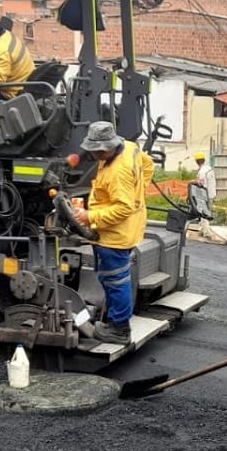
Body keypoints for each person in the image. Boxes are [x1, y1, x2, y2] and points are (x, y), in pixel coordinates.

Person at [74, 121, 154, 344]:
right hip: (126, 229)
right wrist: (137, 192)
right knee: (112, 279)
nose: (95, 155)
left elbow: (123, 208)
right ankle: (112, 322)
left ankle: (119, 330)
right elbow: (149, 165)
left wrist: (89, 217)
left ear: (105, 147)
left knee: (117, 281)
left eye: (97, 151)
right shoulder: (130, 147)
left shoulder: (118, 173)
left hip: (116, 235)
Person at [193, 151, 221, 242]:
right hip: (212, 193)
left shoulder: (202, 171)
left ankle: (206, 232)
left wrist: (193, 182)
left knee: (204, 213)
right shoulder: (210, 169)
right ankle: (202, 229)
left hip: (205, 195)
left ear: (197, 161)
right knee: (206, 212)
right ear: (204, 160)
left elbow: (200, 183)